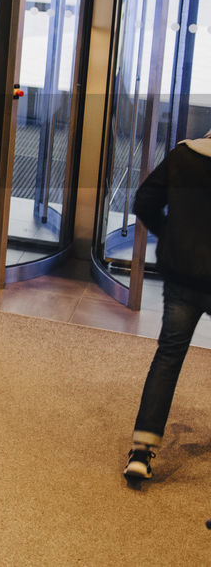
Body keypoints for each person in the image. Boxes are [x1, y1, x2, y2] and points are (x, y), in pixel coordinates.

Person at [123, 128, 211, 482]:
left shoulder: (182, 156)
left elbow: (144, 201)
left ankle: (141, 452)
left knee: (169, 357)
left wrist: (171, 233)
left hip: (183, 275)